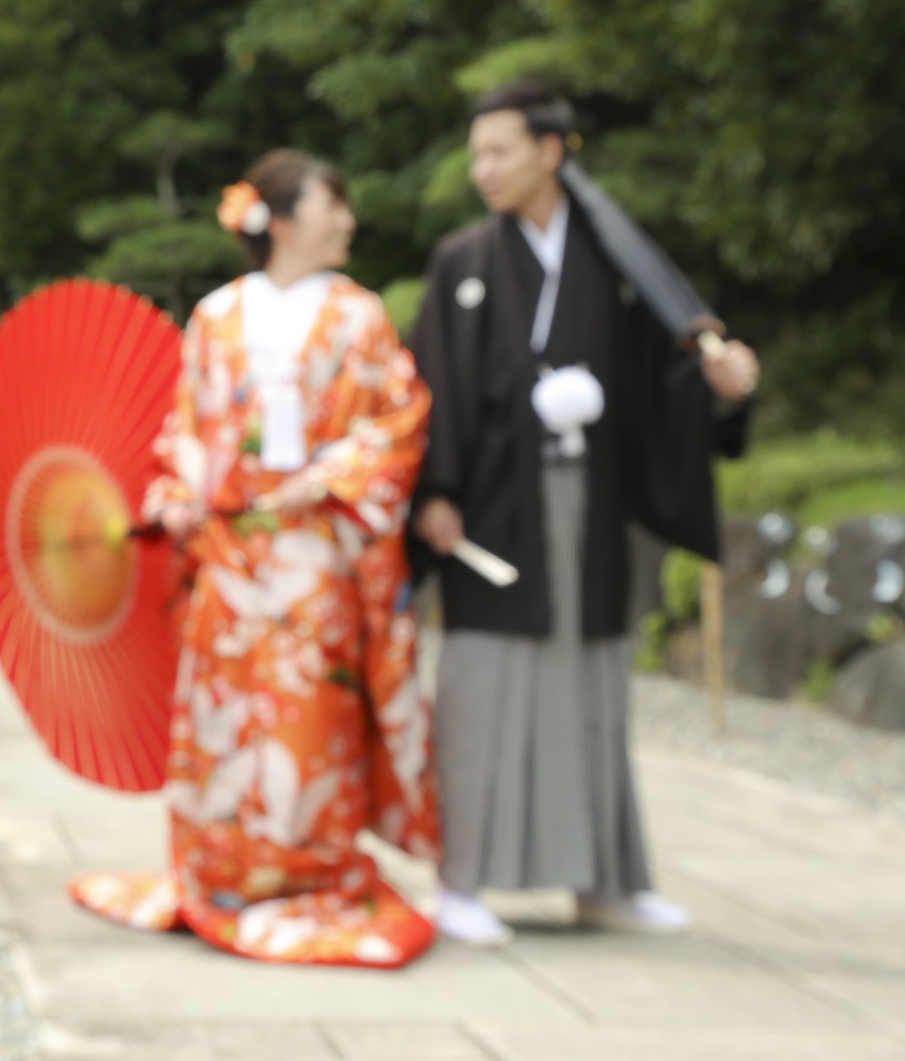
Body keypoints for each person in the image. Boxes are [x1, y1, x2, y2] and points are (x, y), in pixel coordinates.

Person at [70, 149, 441, 968]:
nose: (345, 220)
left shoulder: (359, 316)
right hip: (229, 549)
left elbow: (396, 420)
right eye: (330, 205)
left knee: (311, 712)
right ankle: (219, 869)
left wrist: (323, 479)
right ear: (280, 220)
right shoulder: (216, 317)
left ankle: (313, 872)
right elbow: (184, 432)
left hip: (313, 545)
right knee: (221, 713)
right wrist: (180, 492)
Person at [411, 83, 758, 945]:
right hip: (492, 506)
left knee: (593, 683)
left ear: (551, 151)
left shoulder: (613, 264)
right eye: (477, 153)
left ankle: (602, 880)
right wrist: (434, 495)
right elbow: (433, 388)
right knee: (483, 683)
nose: (481, 169)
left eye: (499, 150)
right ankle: (462, 880)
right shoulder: (463, 260)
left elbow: (659, 380)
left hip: (587, 496)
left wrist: (717, 390)